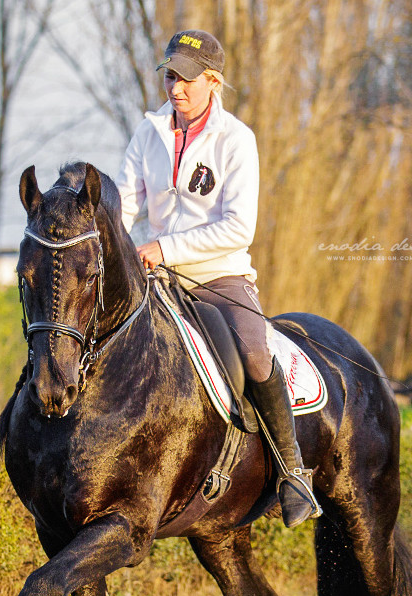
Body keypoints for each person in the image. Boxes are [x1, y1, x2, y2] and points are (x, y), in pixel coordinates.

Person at [115, 29, 320, 528]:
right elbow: (123, 203)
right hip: (158, 277)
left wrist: (164, 246)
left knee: (253, 351)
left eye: (186, 78)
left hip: (219, 277)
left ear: (213, 81)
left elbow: (237, 228)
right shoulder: (148, 133)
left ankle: (292, 471)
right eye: (169, 75)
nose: (175, 88)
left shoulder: (236, 140)